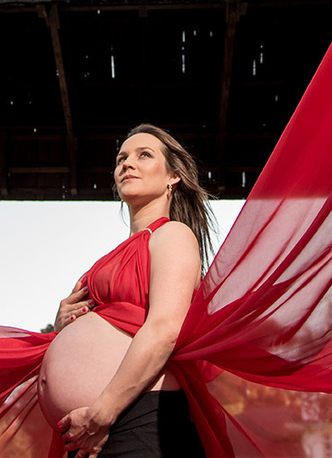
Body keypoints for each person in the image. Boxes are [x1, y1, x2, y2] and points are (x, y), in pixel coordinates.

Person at [37, 124, 215, 458]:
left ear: (172, 177)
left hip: (135, 417)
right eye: (121, 158)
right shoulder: (113, 256)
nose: (126, 164)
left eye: (143, 155)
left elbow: (164, 330)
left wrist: (101, 413)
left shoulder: (173, 235)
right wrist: (63, 323)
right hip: (93, 429)